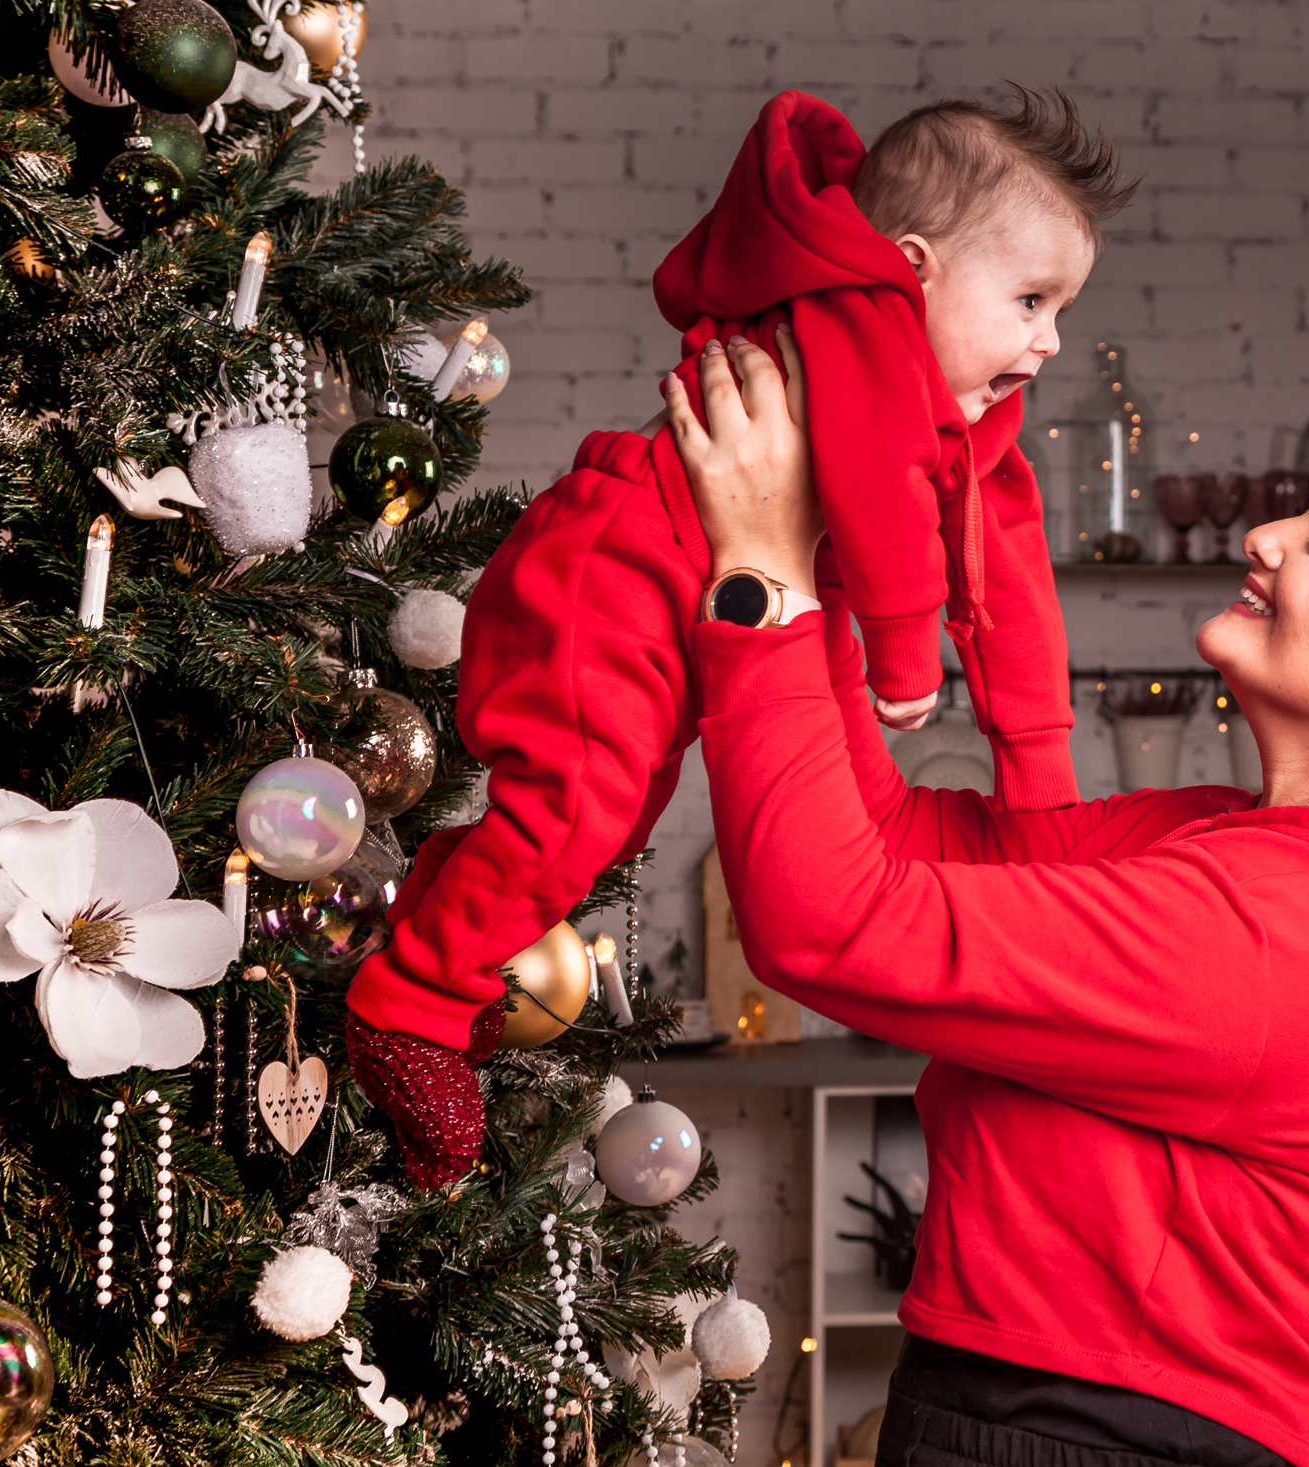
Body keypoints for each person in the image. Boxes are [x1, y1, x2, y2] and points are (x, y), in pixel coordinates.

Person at [664, 337, 1309, 1467]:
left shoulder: (1290, 928)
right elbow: (896, 847)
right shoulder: (1230, 844)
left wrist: (757, 578)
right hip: (1029, 1418)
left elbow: (827, 923)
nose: (1262, 539)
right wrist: (805, 569)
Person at [346, 87, 1133, 1187]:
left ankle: (445, 926)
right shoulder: (848, 333)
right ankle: (409, 1009)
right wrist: (908, 656)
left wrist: (1040, 784)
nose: (1049, 341)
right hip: (619, 569)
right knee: (575, 812)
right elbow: (863, 486)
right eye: (1031, 300)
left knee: (602, 827)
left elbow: (1009, 565)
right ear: (911, 270)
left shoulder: (963, 408)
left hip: (703, 592)